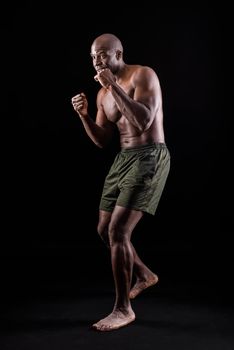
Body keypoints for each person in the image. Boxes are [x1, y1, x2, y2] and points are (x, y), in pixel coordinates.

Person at [71, 33, 170, 332]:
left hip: (150, 155)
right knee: (104, 229)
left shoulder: (142, 75)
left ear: (118, 53)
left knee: (118, 230)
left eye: (102, 54)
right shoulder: (101, 95)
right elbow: (103, 140)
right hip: (123, 159)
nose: (97, 60)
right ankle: (143, 275)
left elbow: (142, 121)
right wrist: (85, 115)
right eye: (93, 56)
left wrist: (112, 85)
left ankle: (123, 309)